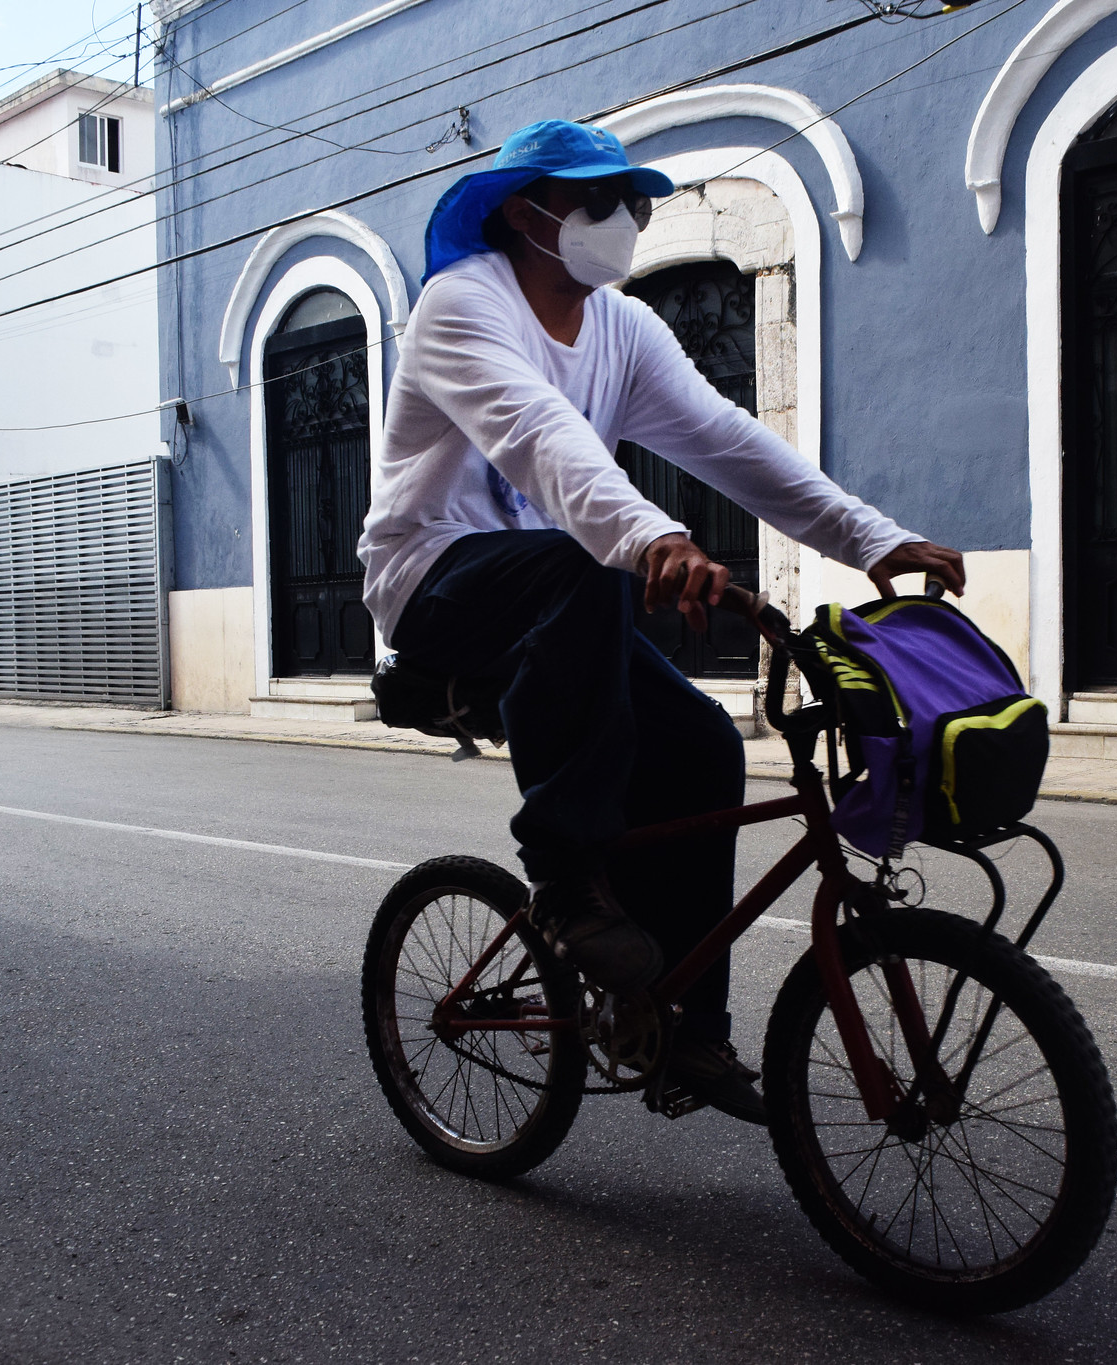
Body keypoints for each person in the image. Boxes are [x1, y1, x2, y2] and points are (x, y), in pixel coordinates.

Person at [358, 120, 964, 1123]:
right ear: (526, 211)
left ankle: (683, 1024)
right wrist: (646, 539)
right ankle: (564, 877)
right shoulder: (461, 307)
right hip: (437, 586)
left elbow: (727, 441)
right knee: (581, 566)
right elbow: (537, 434)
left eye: (633, 204)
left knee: (700, 748)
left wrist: (872, 540)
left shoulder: (623, 328)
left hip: (563, 593)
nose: (623, 223)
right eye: (599, 202)